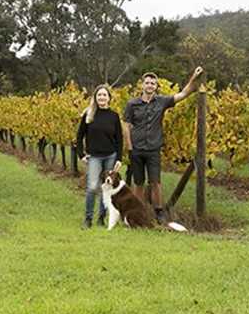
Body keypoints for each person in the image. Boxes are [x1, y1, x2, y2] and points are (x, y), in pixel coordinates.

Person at [122, 67, 204, 224]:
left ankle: (159, 212)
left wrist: (193, 77)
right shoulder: (132, 104)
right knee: (138, 183)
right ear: (142, 85)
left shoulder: (162, 101)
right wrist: (129, 146)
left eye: (153, 83)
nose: (150, 85)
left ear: (156, 86)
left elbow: (183, 94)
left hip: (153, 149)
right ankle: (137, 212)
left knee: (155, 182)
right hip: (137, 149)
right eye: (147, 82)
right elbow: (126, 125)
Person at [75, 84, 123, 228]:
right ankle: (88, 219)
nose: (102, 97)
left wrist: (119, 158)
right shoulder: (88, 114)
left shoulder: (114, 116)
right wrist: (81, 154)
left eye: (104, 95)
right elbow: (79, 135)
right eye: (99, 95)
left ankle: (101, 218)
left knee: (106, 188)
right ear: (95, 98)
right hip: (94, 157)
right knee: (91, 187)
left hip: (110, 156)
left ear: (109, 98)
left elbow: (119, 139)